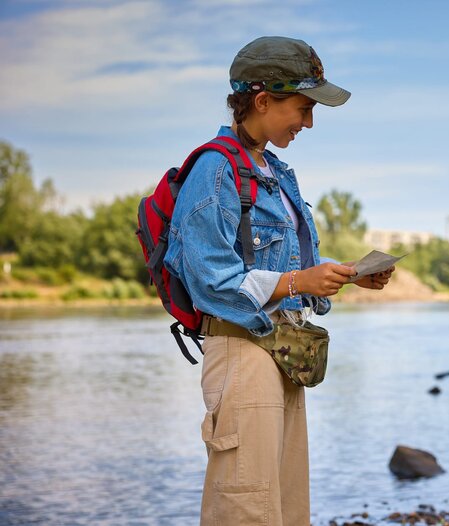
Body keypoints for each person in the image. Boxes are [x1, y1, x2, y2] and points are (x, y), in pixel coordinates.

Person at [164, 36, 394, 525]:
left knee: (287, 510)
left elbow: (279, 264)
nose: (308, 123)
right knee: (246, 510)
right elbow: (212, 282)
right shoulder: (216, 171)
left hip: (279, 352)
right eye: (303, 108)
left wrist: (345, 276)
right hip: (243, 356)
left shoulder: (273, 171)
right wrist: (299, 281)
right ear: (262, 98)